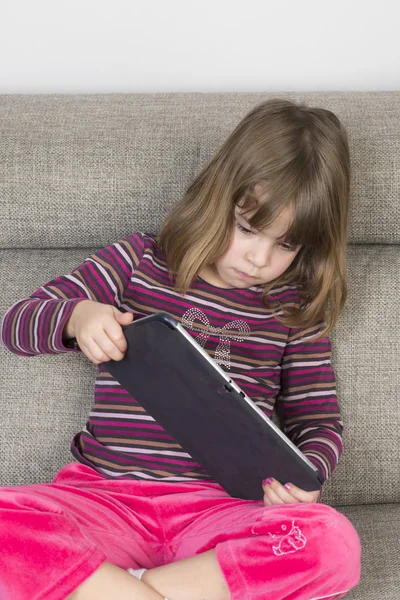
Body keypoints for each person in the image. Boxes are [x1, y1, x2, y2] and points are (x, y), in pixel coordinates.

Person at [0, 99, 361, 600]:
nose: (259, 258)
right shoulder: (140, 260)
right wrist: (78, 316)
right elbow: (16, 323)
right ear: (219, 197)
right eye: (249, 229)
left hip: (220, 512)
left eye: (286, 245)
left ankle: (121, 592)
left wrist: (308, 475)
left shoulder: (295, 310)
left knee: (332, 543)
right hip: (104, 497)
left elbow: (318, 422)